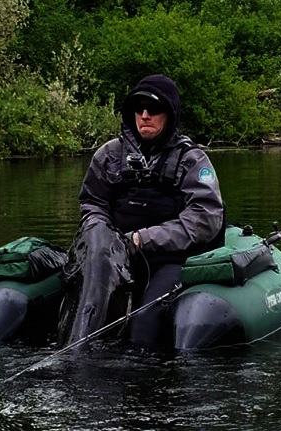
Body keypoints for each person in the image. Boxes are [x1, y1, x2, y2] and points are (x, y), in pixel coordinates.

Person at [78, 74, 225, 347]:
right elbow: (92, 203)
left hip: (169, 260)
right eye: (139, 108)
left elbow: (205, 217)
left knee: (144, 322)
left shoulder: (192, 160)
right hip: (113, 258)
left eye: (154, 109)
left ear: (169, 114)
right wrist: (101, 236)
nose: (145, 115)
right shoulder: (108, 155)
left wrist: (141, 239)